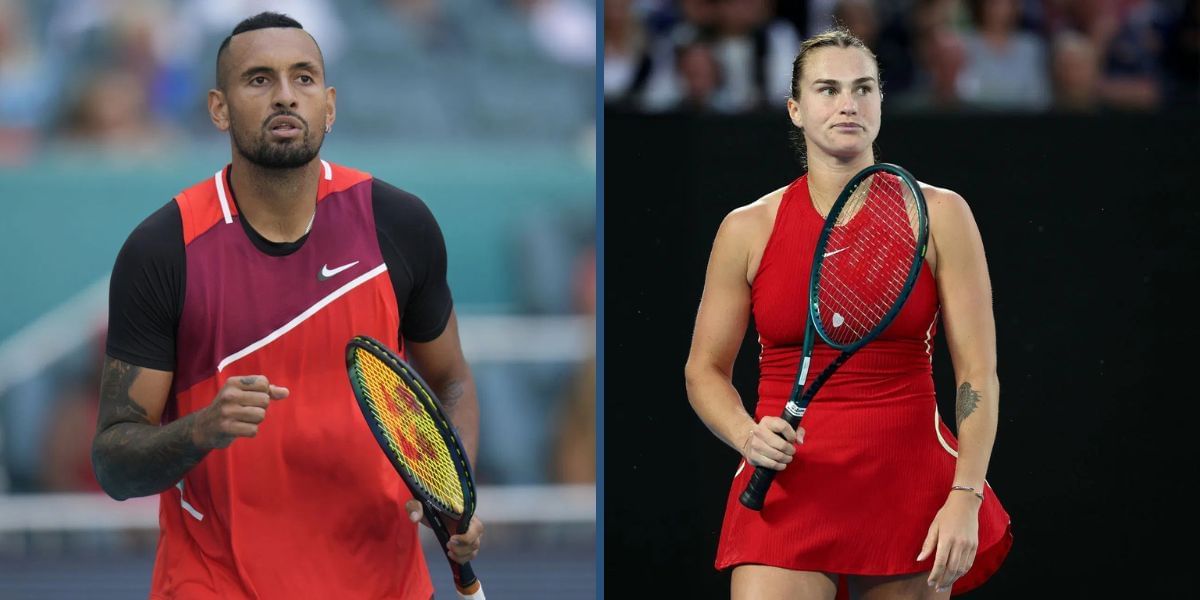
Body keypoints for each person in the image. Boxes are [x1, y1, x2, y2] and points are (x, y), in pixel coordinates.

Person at [91, 12, 483, 600]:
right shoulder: (163, 250)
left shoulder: (397, 223)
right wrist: (199, 430)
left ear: (329, 104)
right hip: (216, 585)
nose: (283, 96)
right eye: (258, 80)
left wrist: (456, 494)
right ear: (218, 108)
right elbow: (113, 462)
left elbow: (449, 382)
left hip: (386, 584)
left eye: (303, 79)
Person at [684, 27, 1012, 600]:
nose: (847, 104)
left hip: (909, 484)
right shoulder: (746, 228)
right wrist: (745, 436)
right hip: (788, 485)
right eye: (827, 89)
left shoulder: (942, 214)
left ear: (881, 102)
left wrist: (967, 494)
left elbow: (976, 377)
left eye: (863, 89)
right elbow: (703, 370)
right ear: (795, 108)